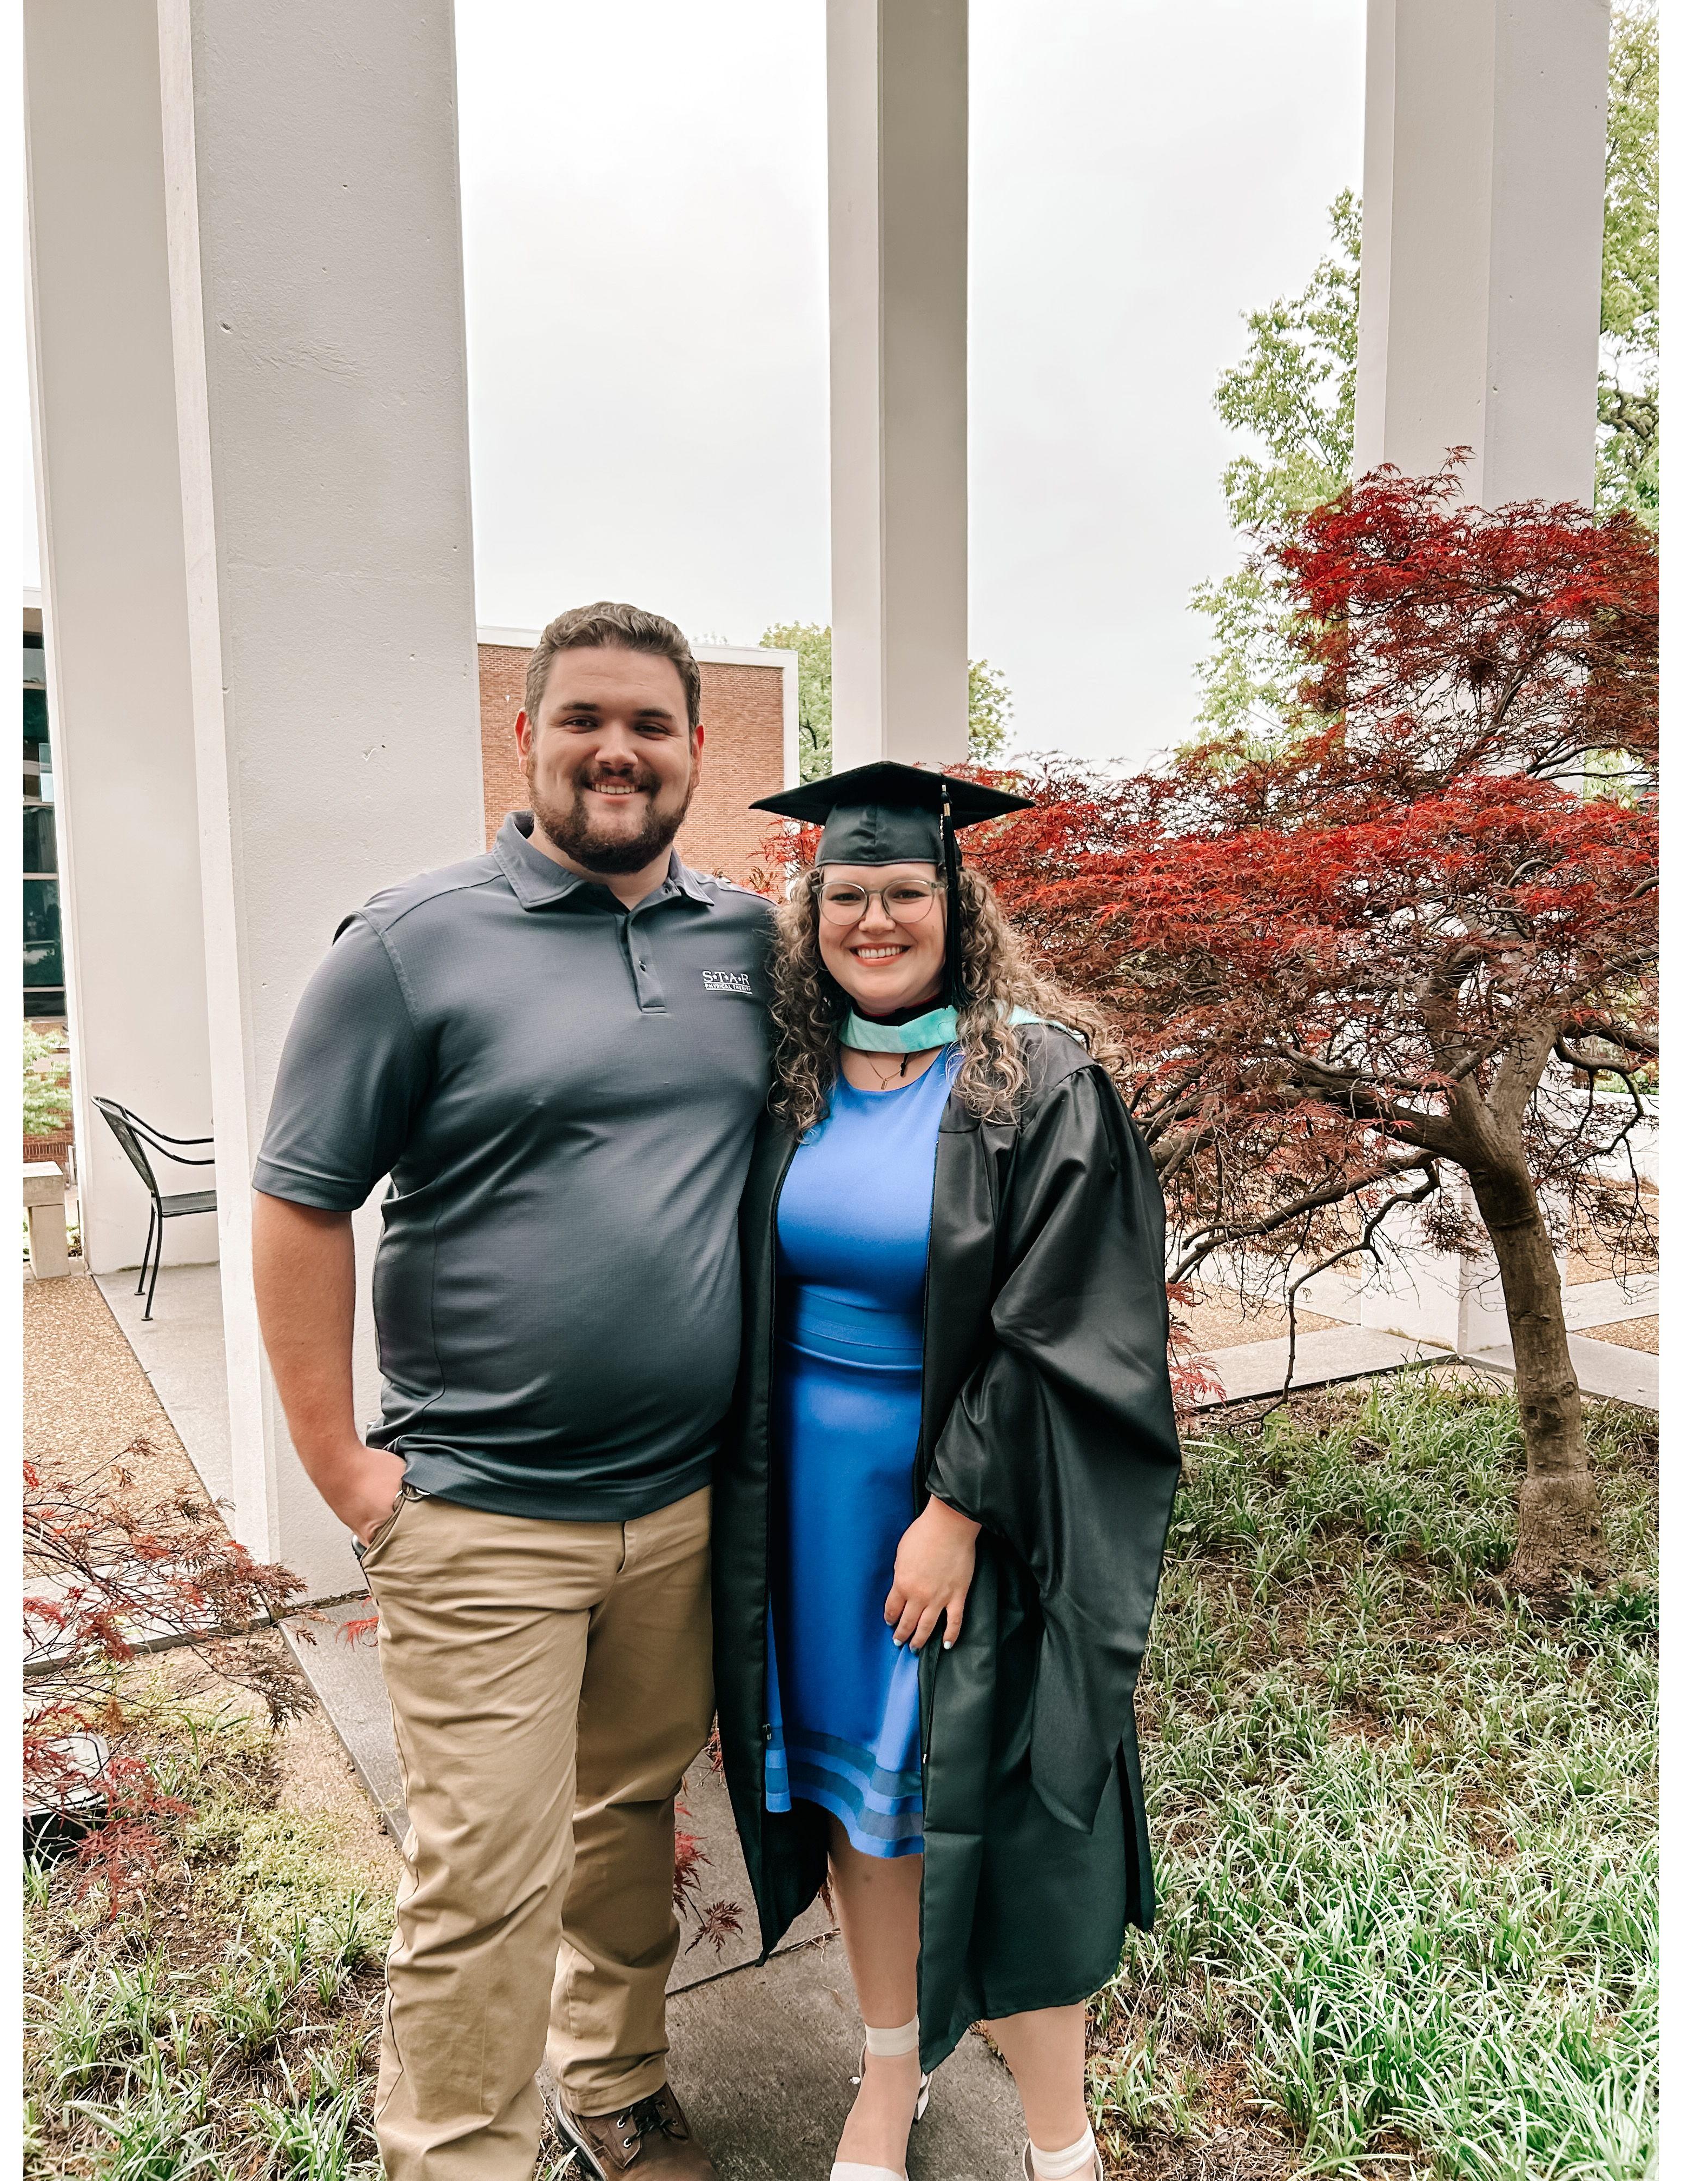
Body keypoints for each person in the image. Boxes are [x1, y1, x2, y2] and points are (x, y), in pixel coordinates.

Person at [250, 602, 771, 2181]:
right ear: (525, 737)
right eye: (584, 719)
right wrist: (346, 1471)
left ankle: (611, 2079)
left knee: (627, 1829)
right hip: (478, 1515)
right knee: (480, 1876)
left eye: (652, 724)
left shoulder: (749, 943)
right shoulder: (413, 944)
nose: (618, 750)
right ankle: (455, 2152)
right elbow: (297, 1202)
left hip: (682, 1507)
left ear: (696, 748)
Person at [711, 762, 1182, 2181]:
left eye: (901, 892)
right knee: (860, 1805)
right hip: (806, 1506)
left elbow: (1073, 1322)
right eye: (843, 894)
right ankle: (889, 2071)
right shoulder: (796, 1078)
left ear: (954, 903)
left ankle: (1060, 2134)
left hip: (964, 1507)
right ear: (811, 913)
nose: (871, 918)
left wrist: (960, 1509)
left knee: (1011, 1810)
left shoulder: (1036, 1076)